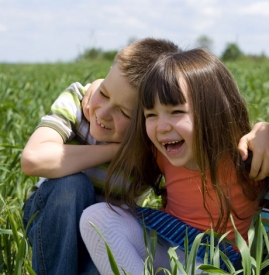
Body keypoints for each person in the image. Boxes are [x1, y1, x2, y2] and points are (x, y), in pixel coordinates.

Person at [80, 48, 269, 274]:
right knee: (95, 218)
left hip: (218, 263)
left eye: (176, 111)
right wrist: (97, 87)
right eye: (151, 114)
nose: (161, 127)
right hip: (169, 242)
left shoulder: (247, 155)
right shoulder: (158, 152)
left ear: (213, 109)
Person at [20, 37, 181, 275]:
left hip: (100, 230)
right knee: (72, 185)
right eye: (104, 93)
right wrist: (116, 150)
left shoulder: (154, 142)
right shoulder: (78, 102)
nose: (103, 112)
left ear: (148, 119)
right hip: (52, 219)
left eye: (124, 112)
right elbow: (33, 158)